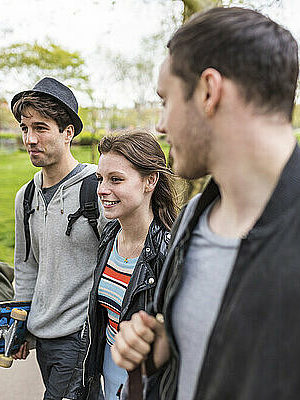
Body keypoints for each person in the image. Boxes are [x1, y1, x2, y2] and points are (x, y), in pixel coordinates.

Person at [111, 7, 300, 400]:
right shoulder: (189, 221)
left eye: (165, 101)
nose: (161, 125)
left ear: (208, 92)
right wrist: (167, 350)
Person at [11, 77, 108, 400]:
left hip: (81, 334)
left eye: (41, 128)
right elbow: (26, 267)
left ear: (68, 133)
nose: (30, 139)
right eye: (25, 128)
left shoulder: (97, 187)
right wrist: (20, 323)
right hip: (44, 334)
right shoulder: (25, 197)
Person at [83, 130, 177, 399]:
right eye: (100, 179)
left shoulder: (168, 251)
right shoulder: (110, 235)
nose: (102, 190)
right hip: (108, 372)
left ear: (150, 181)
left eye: (116, 180)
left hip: (146, 382)